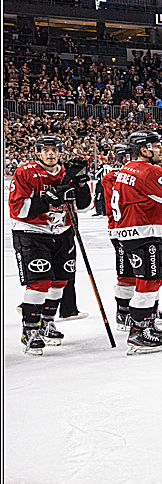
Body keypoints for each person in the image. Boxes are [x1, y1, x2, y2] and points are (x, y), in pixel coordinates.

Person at [8, 136, 92, 355]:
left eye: (54, 150)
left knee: (60, 281)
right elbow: (19, 209)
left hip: (63, 232)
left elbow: (83, 206)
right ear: (38, 152)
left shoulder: (67, 173)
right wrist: (47, 199)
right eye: (45, 150)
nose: (51, 154)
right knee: (40, 282)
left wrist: (81, 183)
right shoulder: (25, 172)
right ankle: (30, 330)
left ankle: (46, 322)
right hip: (32, 233)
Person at [111, 130, 162, 354]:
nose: (161, 150)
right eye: (156, 146)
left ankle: (148, 325)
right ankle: (138, 334)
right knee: (149, 284)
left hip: (131, 232)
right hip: (145, 232)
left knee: (147, 282)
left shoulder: (128, 169)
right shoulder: (148, 171)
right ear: (144, 150)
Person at [100, 143, 136, 330]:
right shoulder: (113, 177)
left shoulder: (116, 176)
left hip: (136, 229)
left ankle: (145, 309)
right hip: (120, 229)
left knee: (144, 271)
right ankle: (123, 312)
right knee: (126, 273)